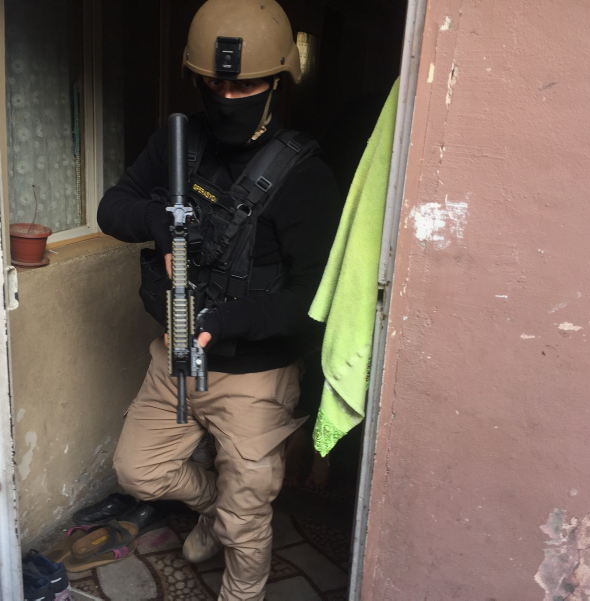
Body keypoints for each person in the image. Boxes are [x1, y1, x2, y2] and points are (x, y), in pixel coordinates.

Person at [97, 1, 341, 598]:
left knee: (245, 520)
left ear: (278, 82)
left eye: (246, 85)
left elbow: (313, 300)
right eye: (215, 83)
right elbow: (113, 208)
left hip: (255, 377)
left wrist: (231, 319)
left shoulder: (306, 178)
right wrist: (158, 220)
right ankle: (213, 505)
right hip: (175, 354)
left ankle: (236, 565)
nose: (229, 96)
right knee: (139, 471)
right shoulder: (178, 144)